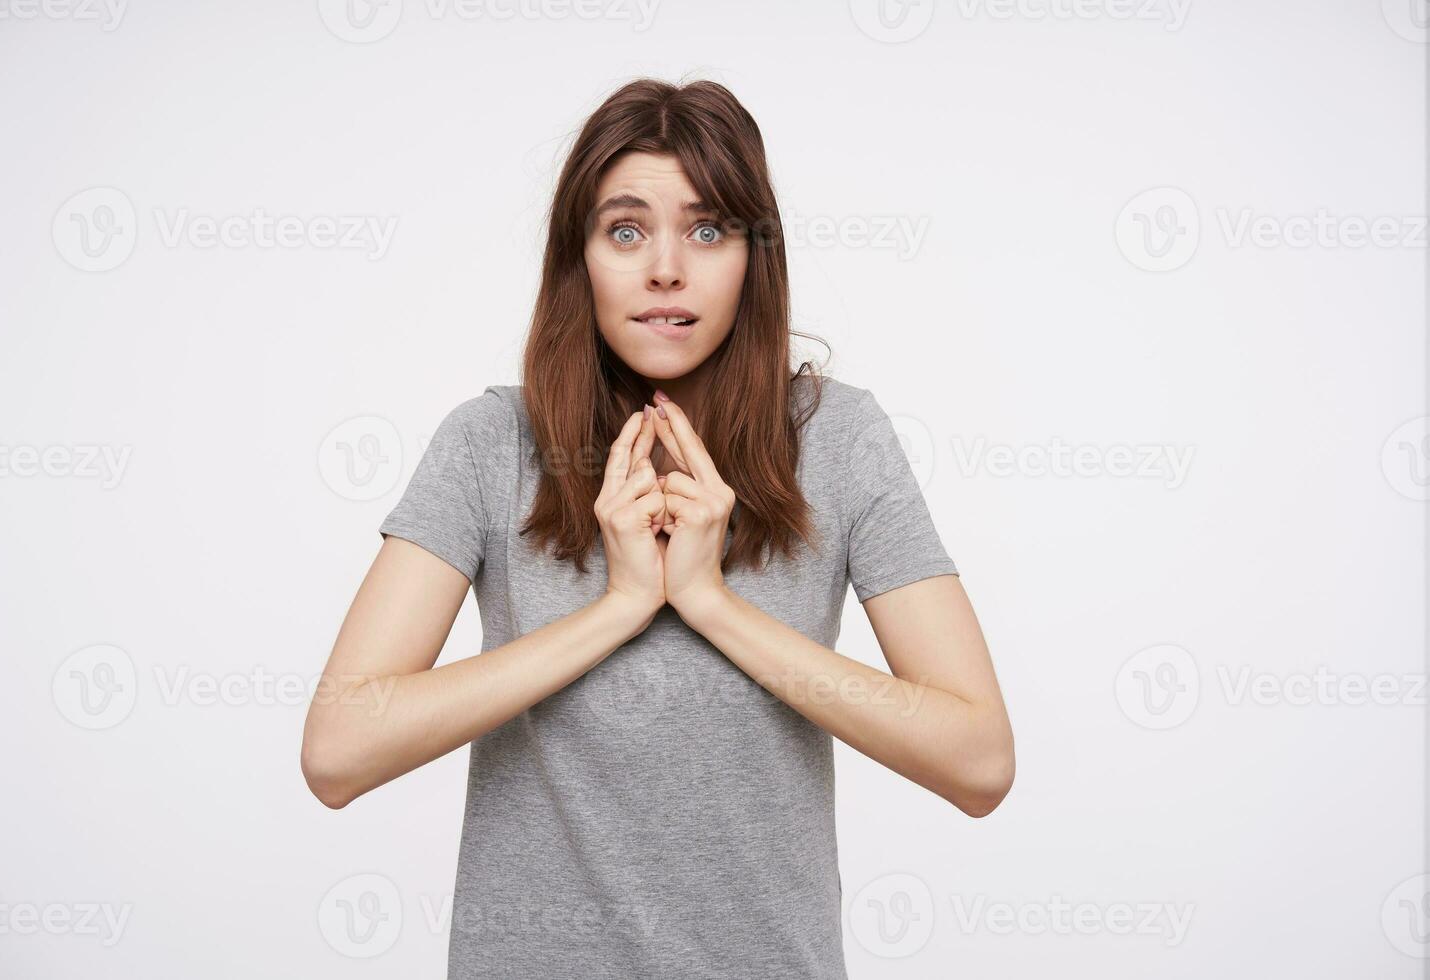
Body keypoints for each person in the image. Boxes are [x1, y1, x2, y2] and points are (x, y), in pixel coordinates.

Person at [301, 76, 1014, 979]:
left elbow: (979, 761)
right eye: (626, 230)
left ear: (756, 256)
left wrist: (710, 601)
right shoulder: (490, 444)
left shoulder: (838, 440)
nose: (666, 267)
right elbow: (338, 750)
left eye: (708, 229)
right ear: (580, 257)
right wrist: (621, 606)